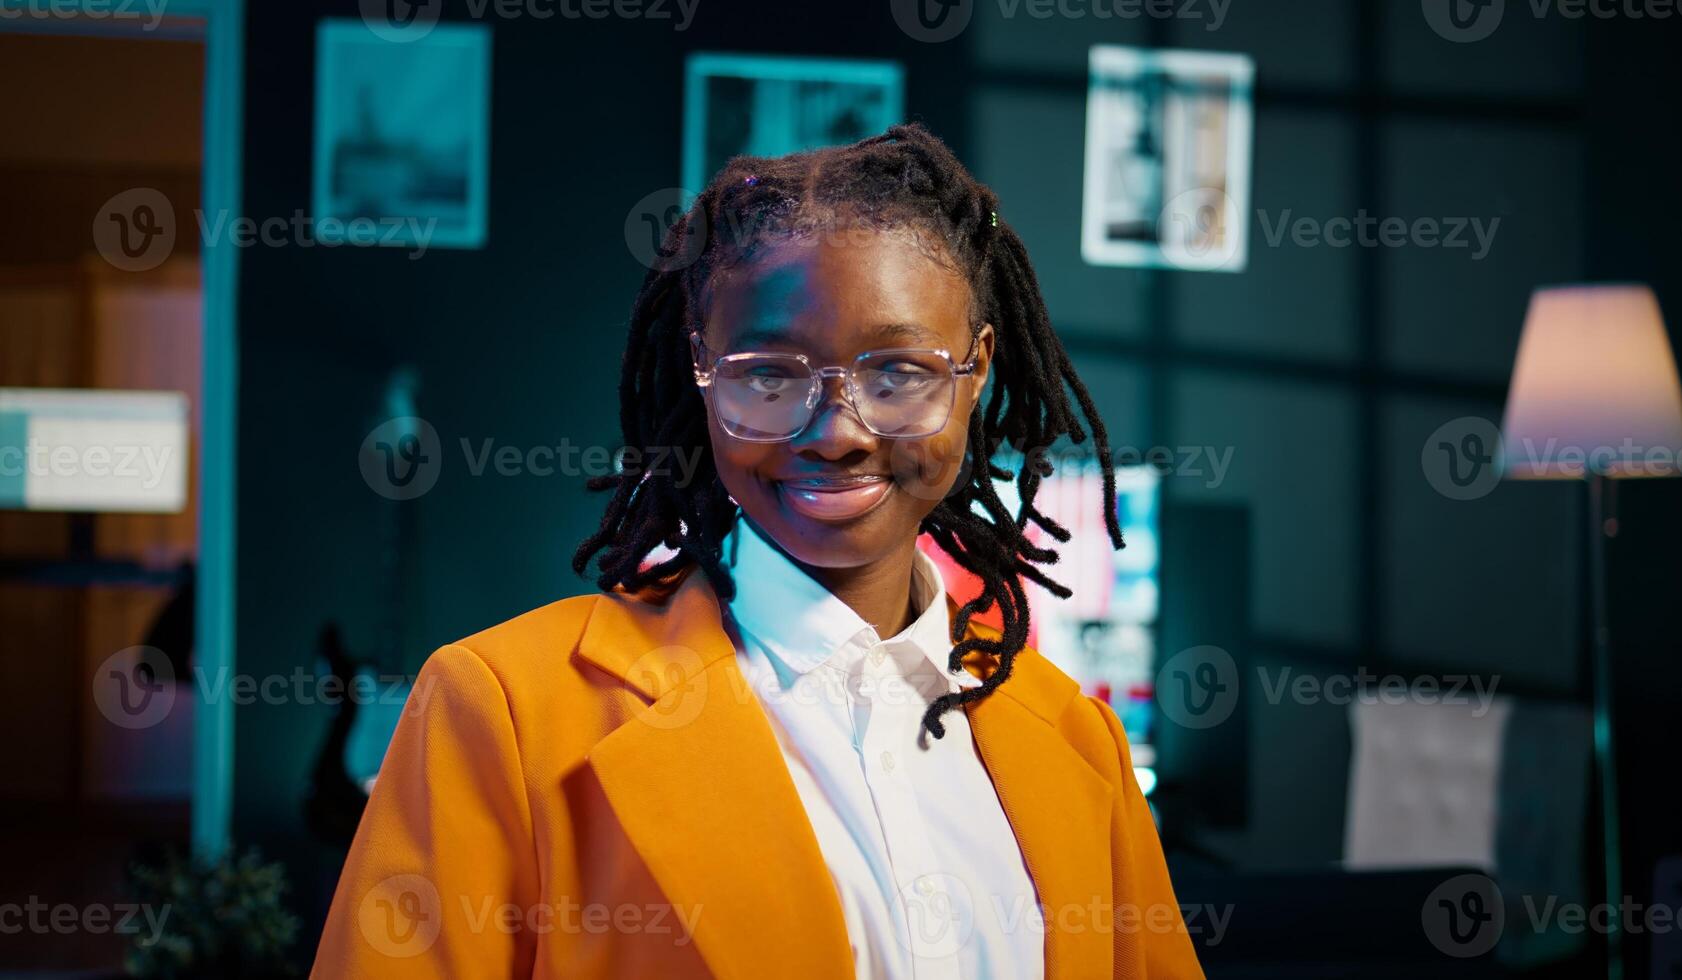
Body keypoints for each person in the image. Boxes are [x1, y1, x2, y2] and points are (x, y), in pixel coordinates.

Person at [311, 122, 1205, 979]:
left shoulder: (1078, 742)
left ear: (975, 371)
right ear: (700, 373)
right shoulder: (500, 713)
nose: (837, 434)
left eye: (898, 372)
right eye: (769, 375)